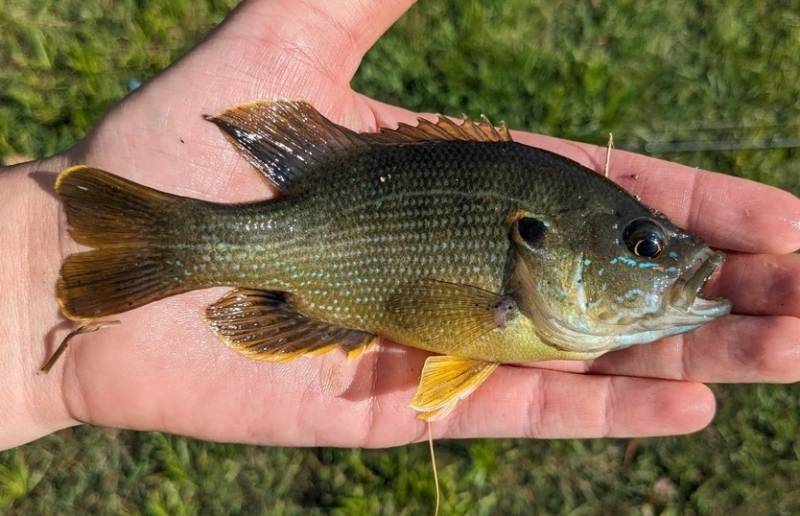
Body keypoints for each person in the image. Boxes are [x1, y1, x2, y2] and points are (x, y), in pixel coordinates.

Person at [2, 0, 799, 452]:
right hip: (337, 227)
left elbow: (462, 336)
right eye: (645, 247)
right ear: (543, 244)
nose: (665, 261)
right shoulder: (527, 293)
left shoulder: (536, 295)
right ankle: (102, 254)